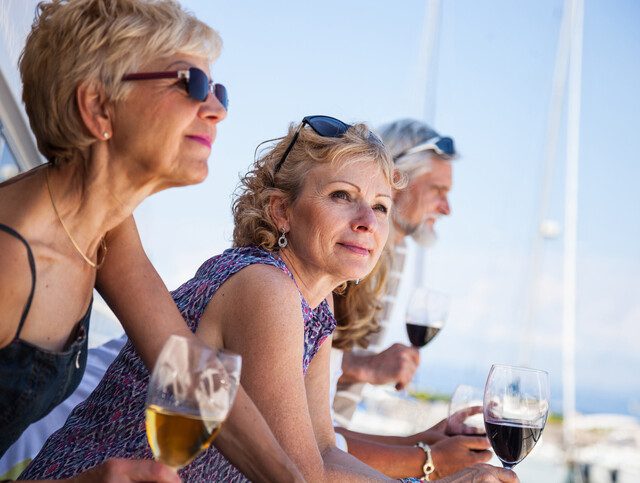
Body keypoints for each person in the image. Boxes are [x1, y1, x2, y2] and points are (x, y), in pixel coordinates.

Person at [21, 116, 518, 483]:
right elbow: (302, 473)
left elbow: (324, 452)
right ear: (282, 211)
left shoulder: (315, 308)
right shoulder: (265, 287)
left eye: (381, 205)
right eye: (342, 196)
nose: (368, 219)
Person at [0, 1, 302, 481]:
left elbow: (186, 367)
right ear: (98, 105)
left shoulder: (104, 228)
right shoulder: (10, 258)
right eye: (192, 84)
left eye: (218, 88)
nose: (218, 110)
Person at [329, 119, 487, 479]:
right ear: (397, 180)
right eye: (437, 190)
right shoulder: (356, 249)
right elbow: (296, 355)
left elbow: (324, 433)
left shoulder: (393, 253)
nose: (446, 208)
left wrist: (424, 441)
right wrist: (365, 366)